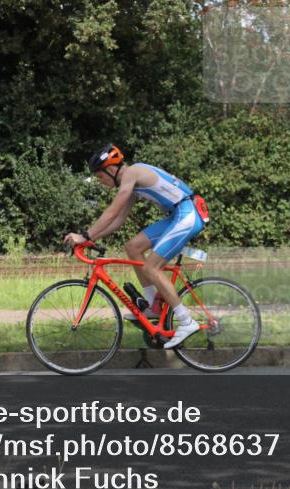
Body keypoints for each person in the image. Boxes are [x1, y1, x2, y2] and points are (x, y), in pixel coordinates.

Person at [63, 144, 208, 349]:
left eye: (100, 177)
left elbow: (112, 211)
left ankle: (186, 321)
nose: (100, 182)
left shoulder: (131, 173)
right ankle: (153, 307)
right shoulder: (131, 182)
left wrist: (85, 234)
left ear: (111, 170)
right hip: (178, 214)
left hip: (188, 212)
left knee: (151, 267)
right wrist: (90, 239)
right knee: (133, 247)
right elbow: (118, 221)